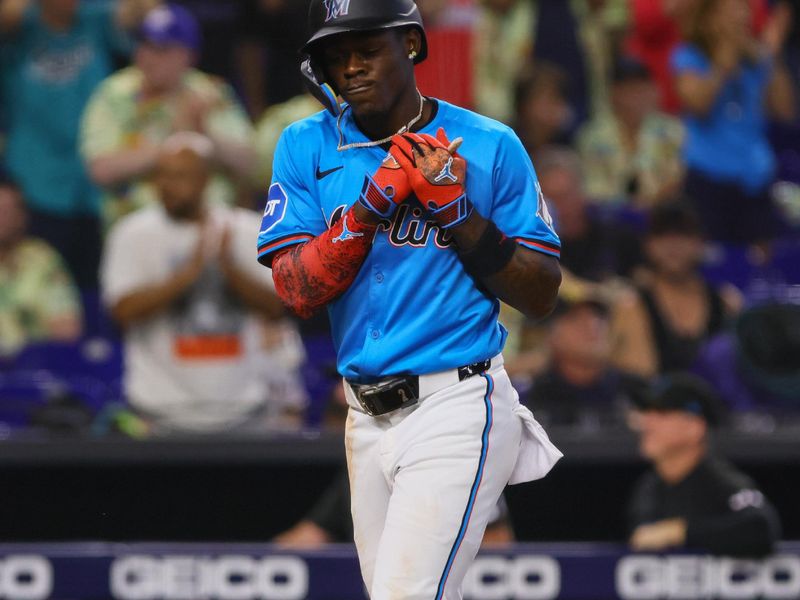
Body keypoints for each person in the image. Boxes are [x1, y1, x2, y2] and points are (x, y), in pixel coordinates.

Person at [257, 1, 563, 597]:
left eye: (367, 50)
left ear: (413, 47)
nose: (350, 68)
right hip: (363, 416)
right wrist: (368, 209)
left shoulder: (488, 144)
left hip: (455, 400)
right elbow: (296, 289)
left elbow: (542, 292)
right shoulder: (305, 145)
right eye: (336, 56)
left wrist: (457, 213)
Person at [101, 132, 300, 434]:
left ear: (205, 179)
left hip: (243, 411)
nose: (167, 185)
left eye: (179, 176)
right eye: (162, 176)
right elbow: (122, 311)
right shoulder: (132, 233)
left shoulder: (246, 230)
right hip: (157, 411)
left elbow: (279, 307)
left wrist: (228, 269)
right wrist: (186, 276)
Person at [0, 0, 157, 287]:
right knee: (43, 287)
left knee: (99, 288)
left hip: (92, 189)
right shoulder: (18, 25)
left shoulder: (95, 19)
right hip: (34, 184)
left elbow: (148, 10)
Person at [80, 3, 257, 228]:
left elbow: (250, 164)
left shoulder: (209, 93)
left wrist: (205, 136)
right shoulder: (115, 94)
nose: (147, 57)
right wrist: (172, 145)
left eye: (161, 49)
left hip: (207, 226)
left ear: (188, 55)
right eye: (144, 44)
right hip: (136, 228)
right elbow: (100, 170)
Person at [672, 0, 795, 243]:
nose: (739, 16)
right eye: (729, 9)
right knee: (713, 260)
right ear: (708, 19)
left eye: (743, 9)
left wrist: (773, 57)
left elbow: (785, 110)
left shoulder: (756, 58)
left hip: (754, 176)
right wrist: (722, 65)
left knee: (759, 264)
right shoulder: (689, 56)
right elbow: (698, 106)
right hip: (709, 178)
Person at [627, 373, 781, 557]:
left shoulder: (718, 480)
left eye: (661, 413)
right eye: (646, 412)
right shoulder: (650, 486)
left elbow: (760, 527)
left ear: (694, 428)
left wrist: (679, 531)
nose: (646, 422)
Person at [610, 202, 742, 379]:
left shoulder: (727, 302)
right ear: (649, 245)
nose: (673, 246)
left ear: (700, 243)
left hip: (718, 403)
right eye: (662, 236)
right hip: (656, 403)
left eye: (683, 235)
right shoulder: (631, 307)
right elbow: (640, 384)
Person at [577, 56, 685, 207]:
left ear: (653, 91)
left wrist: (653, 201)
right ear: (613, 94)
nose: (636, 98)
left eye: (641, 89)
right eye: (629, 91)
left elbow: (678, 178)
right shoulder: (593, 137)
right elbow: (593, 190)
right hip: (612, 220)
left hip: (664, 213)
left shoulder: (672, 131)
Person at [525, 298, 646, 431]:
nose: (593, 325)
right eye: (575, 319)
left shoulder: (637, 393)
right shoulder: (530, 400)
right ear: (550, 336)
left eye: (598, 317)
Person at [0, 176, 82, 357]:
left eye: (7, 211)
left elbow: (67, 331)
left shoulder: (44, 260)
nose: (2, 219)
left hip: (33, 370)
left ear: (22, 216)